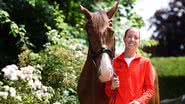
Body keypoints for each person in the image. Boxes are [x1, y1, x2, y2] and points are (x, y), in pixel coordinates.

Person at [105, 27, 154, 104]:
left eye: (136, 38)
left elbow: (149, 90)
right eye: (129, 37)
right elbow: (107, 91)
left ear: (139, 41)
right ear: (124, 39)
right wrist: (112, 87)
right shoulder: (114, 62)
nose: (132, 40)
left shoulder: (145, 62)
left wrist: (139, 101)